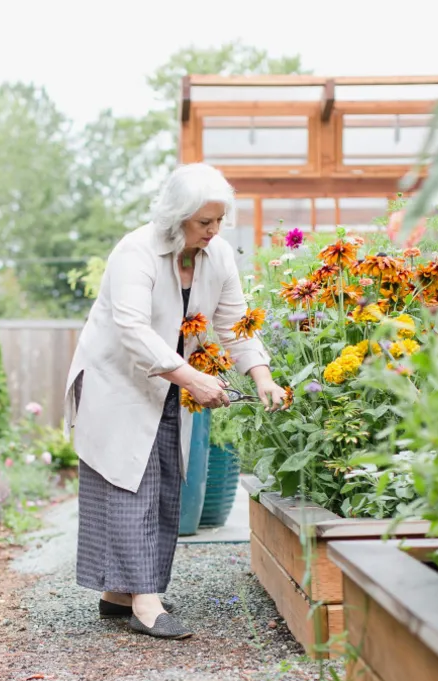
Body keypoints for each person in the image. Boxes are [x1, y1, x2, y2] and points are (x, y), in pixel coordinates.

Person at [65, 162, 288, 639]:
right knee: (131, 482)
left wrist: (262, 376)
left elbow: (233, 323)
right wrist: (193, 379)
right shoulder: (136, 251)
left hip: (168, 379)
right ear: (177, 217)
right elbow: (131, 329)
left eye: (219, 221)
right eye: (204, 222)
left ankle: (118, 595)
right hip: (117, 380)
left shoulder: (219, 255)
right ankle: (146, 602)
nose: (213, 230)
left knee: (165, 478)